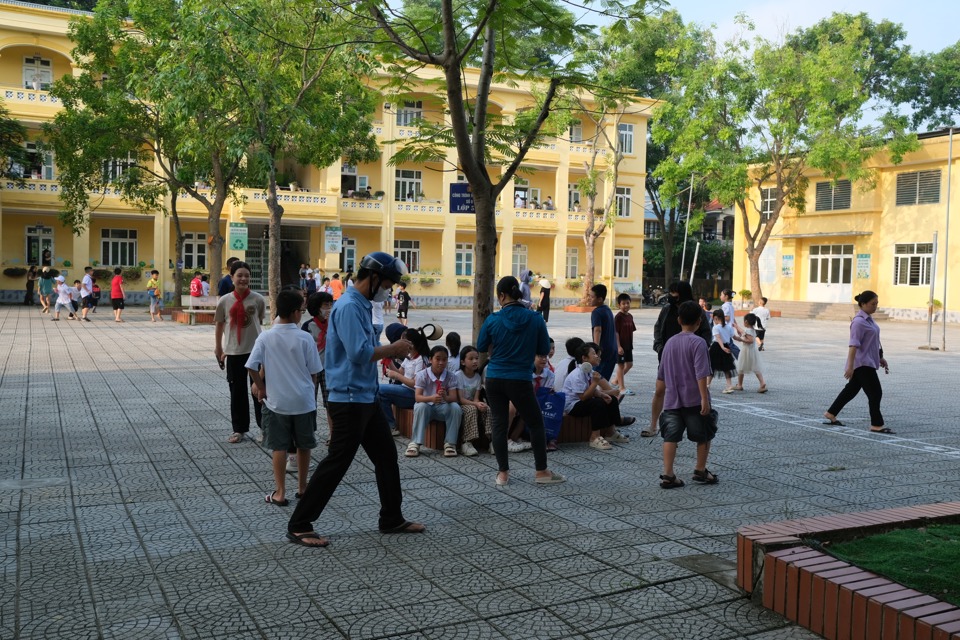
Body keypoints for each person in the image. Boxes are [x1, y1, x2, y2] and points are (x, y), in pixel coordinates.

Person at [287, 252, 424, 548]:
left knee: (386, 457)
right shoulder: (349, 306)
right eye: (387, 283)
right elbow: (359, 353)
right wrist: (393, 348)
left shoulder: (362, 305)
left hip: (364, 395)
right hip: (349, 398)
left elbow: (365, 348)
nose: (388, 289)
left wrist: (389, 350)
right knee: (337, 461)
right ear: (373, 278)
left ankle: (391, 517)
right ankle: (299, 524)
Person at [477, 275, 564, 486]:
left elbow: (481, 345)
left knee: (499, 424)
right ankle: (541, 471)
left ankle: (502, 474)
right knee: (535, 422)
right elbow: (544, 349)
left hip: (495, 378)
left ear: (501, 295)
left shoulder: (493, 320)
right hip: (520, 379)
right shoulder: (535, 319)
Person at [246, 290, 323, 507]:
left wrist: (261, 388)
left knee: (278, 447)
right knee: (304, 445)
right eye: (302, 310)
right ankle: (303, 487)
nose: (303, 314)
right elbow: (314, 372)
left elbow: (251, 366)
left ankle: (280, 493)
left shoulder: (266, 336)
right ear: (294, 312)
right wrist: (309, 392)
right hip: (303, 401)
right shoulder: (305, 337)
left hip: (277, 402)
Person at [651, 300, 718, 489]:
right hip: (695, 400)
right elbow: (701, 372)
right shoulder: (699, 343)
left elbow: (661, 374)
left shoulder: (669, 343)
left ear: (679, 320)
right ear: (699, 321)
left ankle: (668, 473)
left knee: (670, 436)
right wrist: (705, 399)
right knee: (703, 433)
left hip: (672, 400)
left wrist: (659, 396)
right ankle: (700, 469)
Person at [823, 291, 893, 434]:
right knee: (875, 393)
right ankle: (876, 424)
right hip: (862, 364)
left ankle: (831, 413)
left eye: (877, 304)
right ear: (863, 304)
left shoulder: (869, 319)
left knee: (851, 390)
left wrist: (880, 357)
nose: (875, 307)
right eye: (873, 304)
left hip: (868, 361)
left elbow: (873, 341)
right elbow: (853, 345)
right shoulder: (859, 322)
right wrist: (850, 366)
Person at [214, 261, 267, 444]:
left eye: (246, 275)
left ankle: (264, 428)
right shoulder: (224, 301)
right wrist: (219, 348)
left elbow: (259, 321)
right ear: (232, 278)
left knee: (259, 391)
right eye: (239, 275)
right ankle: (239, 429)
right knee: (237, 392)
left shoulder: (258, 299)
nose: (243, 279)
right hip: (234, 352)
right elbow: (220, 324)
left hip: (255, 352)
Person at [562, 343, 632, 451]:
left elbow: (592, 392)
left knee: (611, 400)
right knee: (597, 404)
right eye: (594, 354)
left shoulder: (589, 371)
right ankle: (594, 437)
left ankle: (611, 432)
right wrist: (595, 383)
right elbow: (583, 397)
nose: (597, 356)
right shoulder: (577, 374)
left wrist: (603, 394)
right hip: (572, 406)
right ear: (584, 358)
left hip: (582, 402)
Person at [406, 346, 462, 458]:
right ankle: (415, 443)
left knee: (455, 408)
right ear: (431, 359)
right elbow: (417, 397)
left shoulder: (450, 376)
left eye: (444, 359)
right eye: (438, 359)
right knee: (420, 406)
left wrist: (445, 397)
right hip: (427, 407)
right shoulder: (422, 375)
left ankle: (450, 444)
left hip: (442, 408)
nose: (441, 362)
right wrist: (431, 398)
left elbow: (453, 397)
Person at [379, 327, 429, 436]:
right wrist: (389, 361)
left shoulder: (421, 359)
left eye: (403, 342)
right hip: (404, 390)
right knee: (378, 390)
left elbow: (415, 383)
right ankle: (388, 424)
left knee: (380, 390)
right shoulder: (409, 356)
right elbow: (400, 372)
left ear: (411, 343)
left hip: (413, 394)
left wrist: (396, 375)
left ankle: (391, 426)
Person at [457, 346, 488, 457]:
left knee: (487, 408)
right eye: (471, 359)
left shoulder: (477, 377)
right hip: (461, 405)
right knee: (471, 409)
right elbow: (460, 399)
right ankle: (466, 442)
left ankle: (491, 441)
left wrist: (479, 404)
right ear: (463, 362)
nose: (475, 361)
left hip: (472, 403)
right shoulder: (459, 375)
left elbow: (476, 398)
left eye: (476, 358)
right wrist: (476, 404)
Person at [589, 284, 618, 382]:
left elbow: (598, 330)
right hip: (612, 350)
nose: (590, 299)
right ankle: (612, 395)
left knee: (594, 378)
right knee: (603, 380)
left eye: (592, 297)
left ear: (600, 299)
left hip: (603, 350)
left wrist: (596, 349)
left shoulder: (596, 312)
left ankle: (614, 395)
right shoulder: (608, 310)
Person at [732, 313, 767, 393]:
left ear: (746, 322)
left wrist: (740, 338)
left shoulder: (748, 330)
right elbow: (744, 336)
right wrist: (736, 337)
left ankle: (740, 385)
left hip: (746, 351)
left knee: (741, 367)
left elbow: (750, 341)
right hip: (752, 351)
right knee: (756, 367)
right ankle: (762, 383)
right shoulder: (752, 330)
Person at [709, 309, 737, 394]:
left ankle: (707, 384)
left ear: (716, 318)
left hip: (717, 347)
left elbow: (718, 338)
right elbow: (734, 337)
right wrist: (743, 339)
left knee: (711, 366)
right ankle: (729, 385)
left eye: (714, 318)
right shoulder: (728, 327)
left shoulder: (716, 327)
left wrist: (722, 347)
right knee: (726, 367)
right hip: (726, 346)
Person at [614, 293, 636, 394]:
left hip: (628, 345)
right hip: (621, 346)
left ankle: (615, 381)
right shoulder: (618, 317)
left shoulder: (630, 316)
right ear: (619, 305)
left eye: (628, 303)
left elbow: (631, 331)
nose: (626, 305)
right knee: (621, 365)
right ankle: (621, 388)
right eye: (623, 303)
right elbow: (616, 332)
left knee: (630, 364)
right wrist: (618, 346)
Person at [720, 289, 742, 358]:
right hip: (729, 328)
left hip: (726, 329)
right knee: (727, 345)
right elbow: (733, 318)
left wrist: (717, 317)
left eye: (721, 295)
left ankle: (742, 357)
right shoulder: (730, 305)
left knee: (730, 345)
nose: (720, 296)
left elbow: (728, 318)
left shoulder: (725, 306)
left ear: (726, 296)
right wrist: (737, 328)